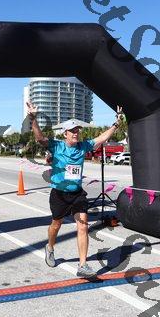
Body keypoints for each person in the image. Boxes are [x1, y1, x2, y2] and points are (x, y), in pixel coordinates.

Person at [26, 100, 123, 277]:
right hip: (59, 194)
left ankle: (83, 265)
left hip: (77, 194)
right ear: (65, 133)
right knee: (56, 225)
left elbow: (102, 138)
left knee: (83, 226)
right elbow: (40, 138)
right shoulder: (57, 146)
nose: (76, 133)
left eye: (77, 130)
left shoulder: (83, 146)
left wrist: (116, 123)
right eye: (72, 131)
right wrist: (33, 118)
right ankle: (50, 247)